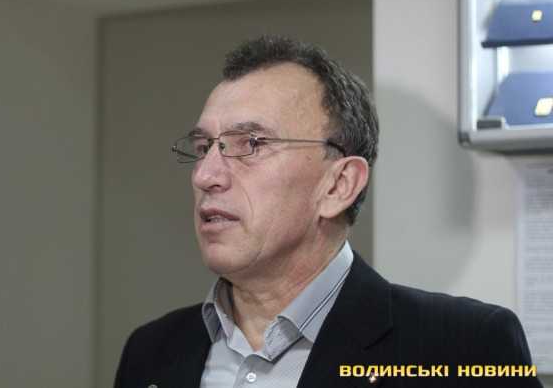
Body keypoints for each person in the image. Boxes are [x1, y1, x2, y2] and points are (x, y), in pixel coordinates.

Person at [114, 35, 542, 387]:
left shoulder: (464, 347)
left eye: (252, 145)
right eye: (204, 147)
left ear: (339, 186)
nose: (206, 175)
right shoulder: (149, 351)